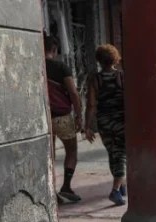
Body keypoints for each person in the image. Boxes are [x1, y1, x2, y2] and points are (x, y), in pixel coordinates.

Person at [84, 44, 127, 206]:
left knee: (112, 152)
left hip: (103, 121)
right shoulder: (122, 77)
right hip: (120, 120)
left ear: (99, 60)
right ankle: (115, 190)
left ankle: (121, 184)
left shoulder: (95, 79)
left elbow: (91, 105)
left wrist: (87, 126)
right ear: (115, 58)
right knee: (121, 153)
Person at [44, 35, 83, 203]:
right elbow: (73, 93)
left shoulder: (34, 65)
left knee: (49, 157)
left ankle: (50, 191)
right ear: (54, 50)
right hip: (62, 117)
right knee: (72, 151)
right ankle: (66, 186)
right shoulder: (61, 67)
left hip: (44, 118)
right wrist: (79, 114)